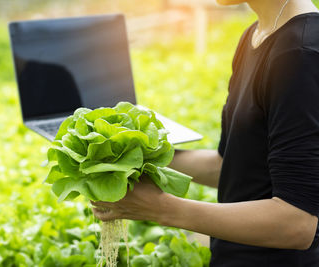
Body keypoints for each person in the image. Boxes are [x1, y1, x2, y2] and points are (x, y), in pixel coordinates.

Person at [91, 0, 319, 266]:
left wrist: (163, 209)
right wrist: (133, 155)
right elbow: (231, 166)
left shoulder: (302, 54)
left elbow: (298, 222)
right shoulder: (255, 35)